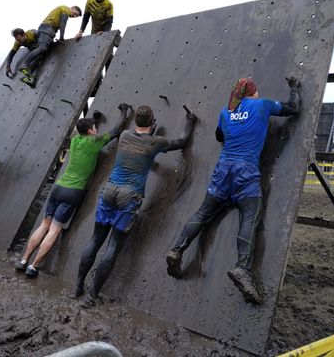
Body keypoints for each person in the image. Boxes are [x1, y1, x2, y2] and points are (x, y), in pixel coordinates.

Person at [166, 77, 302, 304]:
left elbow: (220, 136)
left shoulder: (226, 112)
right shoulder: (263, 105)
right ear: (254, 92)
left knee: (203, 213)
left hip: (223, 171)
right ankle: (242, 268)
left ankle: (177, 250)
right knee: (250, 217)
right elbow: (293, 109)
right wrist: (295, 89)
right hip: (246, 172)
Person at [73, 105, 196, 305]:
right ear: (152, 121)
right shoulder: (155, 142)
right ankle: (92, 295)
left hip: (110, 191)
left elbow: (139, 140)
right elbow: (181, 142)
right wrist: (190, 121)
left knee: (95, 240)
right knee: (112, 247)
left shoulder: (124, 136)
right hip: (129, 197)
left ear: (136, 123)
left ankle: (77, 286)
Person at [15, 103, 129, 278]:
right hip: (73, 192)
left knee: (44, 225)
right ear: (91, 131)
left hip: (58, 187)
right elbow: (115, 131)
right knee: (54, 230)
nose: (96, 129)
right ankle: (34, 266)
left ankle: (23, 261)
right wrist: (123, 112)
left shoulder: (76, 139)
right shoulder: (95, 141)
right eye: (94, 127)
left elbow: (84, 129)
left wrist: (94, 119)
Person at [19, 5, 82, 87]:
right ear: (72, 8)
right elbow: (63, 24)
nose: (74, 16)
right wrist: (61, 38)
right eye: (75, 14)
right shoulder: (66, 9)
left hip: (48, 30)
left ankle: (28, 76)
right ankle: (25, 65)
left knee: (41, 54)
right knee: (43, 48)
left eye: (76, 16)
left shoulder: (62, 11)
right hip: (47, 28)